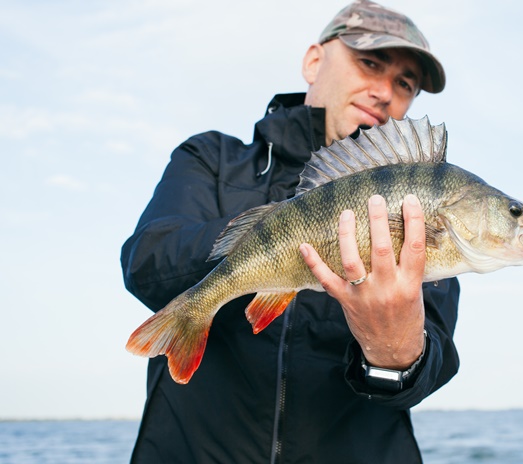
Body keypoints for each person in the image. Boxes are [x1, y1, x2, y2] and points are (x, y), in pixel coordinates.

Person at [121, 1, 460, 462]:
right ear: (314, 62)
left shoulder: (415, 206)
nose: (384, 91)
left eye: (405, 83)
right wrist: (277, 238)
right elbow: (146, 262)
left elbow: (429, 364)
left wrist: (395, 354)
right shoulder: (210, 158)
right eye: (370, 62)